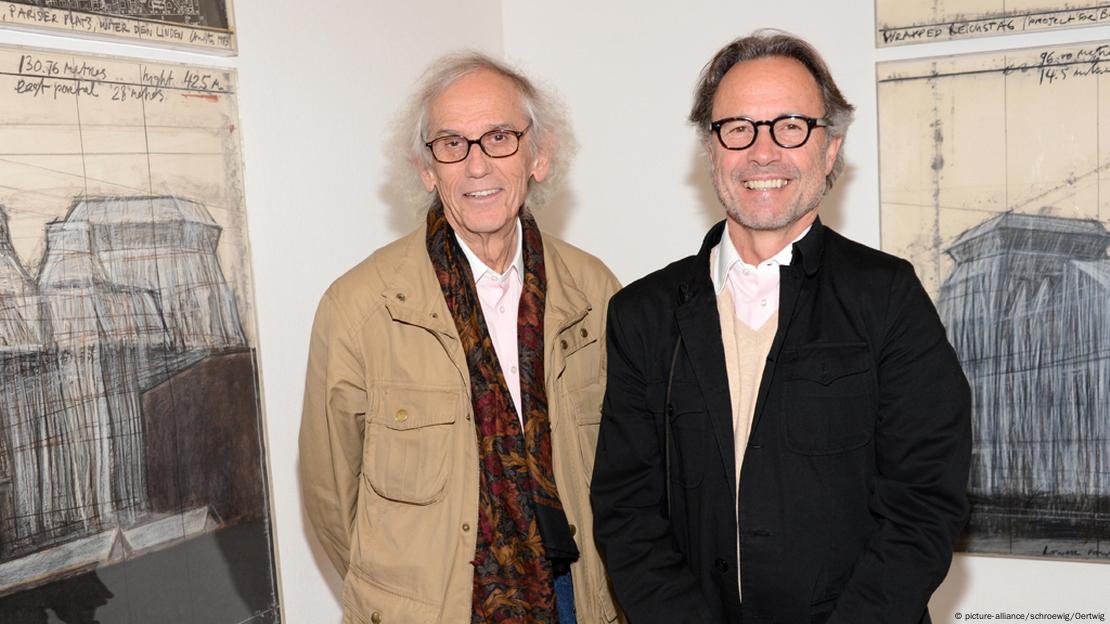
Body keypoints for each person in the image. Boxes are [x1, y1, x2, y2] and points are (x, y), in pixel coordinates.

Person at [591, 31, 971, 624]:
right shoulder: (643, 313)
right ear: (710, 150)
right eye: (737, 128)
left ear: (830, 148)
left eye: (790, 125)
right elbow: (627, 512)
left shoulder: (888, 297)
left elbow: (923, 505)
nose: (762, 151)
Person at [300, 52, 621, 624]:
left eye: (499, 137)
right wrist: (404, 592)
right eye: (452, 144)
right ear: (428, 169)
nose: (477, 165)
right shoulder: (358, 308)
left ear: (538, 155)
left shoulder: (595, 294)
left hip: (574, 598)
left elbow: (628, 470)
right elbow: (331, 495)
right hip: (433, 607)